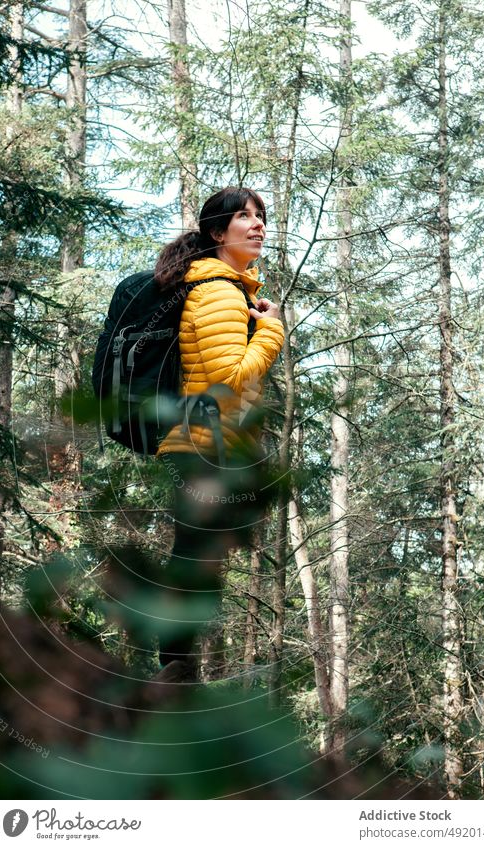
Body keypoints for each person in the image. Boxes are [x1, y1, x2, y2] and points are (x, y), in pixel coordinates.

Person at [154, 187, 284, 681]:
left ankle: (177, 667)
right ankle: (175, 669)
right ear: (216, 233)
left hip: (205, 442)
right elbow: (229, 382)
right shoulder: (218, 291)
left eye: (261, 217)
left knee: (197, 556)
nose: (257, 226)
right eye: (243, 217)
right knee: (193, 559)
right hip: (203, 445)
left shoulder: (227, 289)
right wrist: (271, 330)